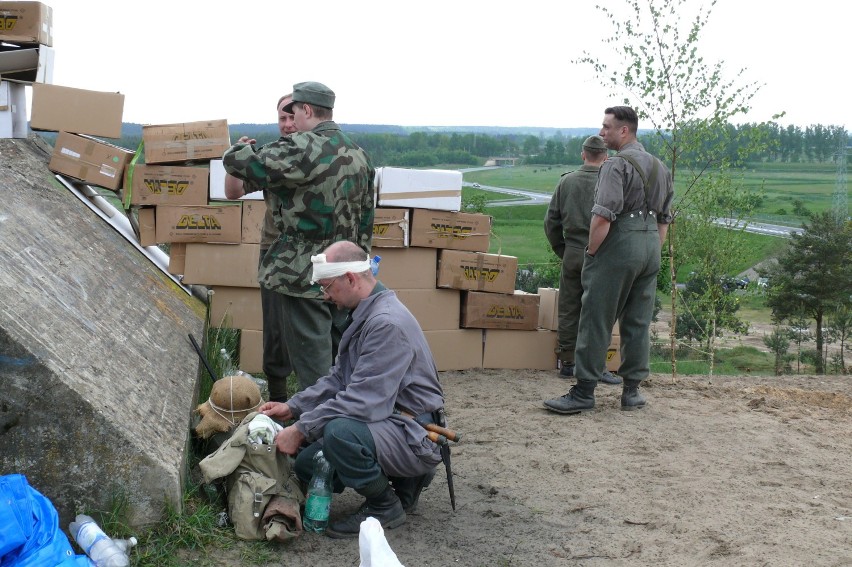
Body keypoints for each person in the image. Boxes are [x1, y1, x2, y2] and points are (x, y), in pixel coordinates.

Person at [259, 240, 444, 539]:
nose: (325, 295)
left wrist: (302, 429)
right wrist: (292, 407)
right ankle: (405, 480)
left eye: (328, 286)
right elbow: (338, 379)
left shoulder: (385, 324)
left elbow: (363, 402)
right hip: (392, 421)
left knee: (339, 434)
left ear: (350, 278)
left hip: (414, 431)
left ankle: (385, 506)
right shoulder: (366, 312)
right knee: (308, 465)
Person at [222, 82, 375, 393]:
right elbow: (367, 217)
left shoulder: (302, 148)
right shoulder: (359, 155)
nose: (292, 122)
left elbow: (236, 162)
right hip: (347, 273)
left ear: (307, 110)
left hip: (304, 275)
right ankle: (345, 413)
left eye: (295, 113)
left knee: (314, 372)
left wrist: (239, 147)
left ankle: (320, 431)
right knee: (342, 359)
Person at [544, 106, 673, 414]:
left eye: (607, 127)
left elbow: (602, 217)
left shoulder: (615, 166)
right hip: (651, 247)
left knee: (595, 317)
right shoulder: (660, 167)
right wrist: (651, 248)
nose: (602, 133)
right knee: (638, 322)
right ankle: (631, 392)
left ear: (624, 130)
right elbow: (665, 219)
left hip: (618, 245)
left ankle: (584, 391)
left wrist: (591, 253)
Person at [224, 94, 296, 403]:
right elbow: (233, 192)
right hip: (275, 251)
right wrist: (238, 159)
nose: (289, 124)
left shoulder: (324, 156)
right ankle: (279, 399)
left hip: (318, 252)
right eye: (283, 118)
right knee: (276, 327)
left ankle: (317, 399)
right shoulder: (269, 156)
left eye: (294, 117)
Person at [544, 135, 621, 386]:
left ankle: (568, 363)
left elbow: (551, 222)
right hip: (603, 254)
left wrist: (563, 250)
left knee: (569, 307)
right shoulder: (612, 183)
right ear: (606, 157)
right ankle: (597, 365)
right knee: (599, 311)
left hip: (573, 252)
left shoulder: (566, 182)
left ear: (583, 154)